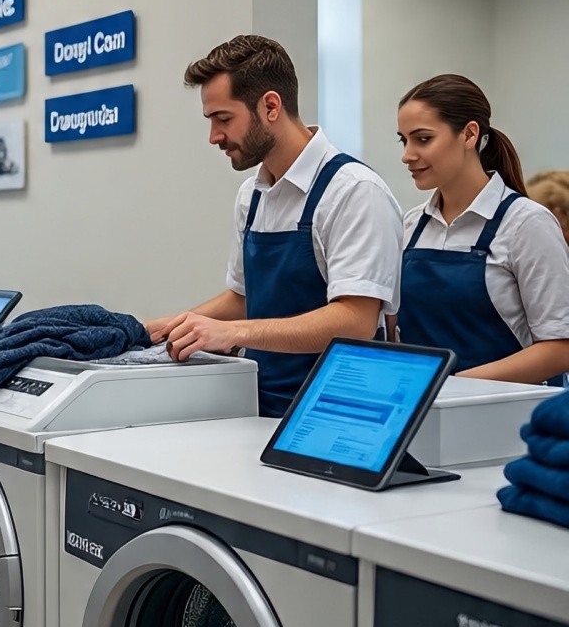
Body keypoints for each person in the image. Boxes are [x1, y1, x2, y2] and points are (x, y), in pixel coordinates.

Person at [146, 34, 403, 417]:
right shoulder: (251, 195)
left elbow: (355, 320)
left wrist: (234, 332)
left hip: (336, 414)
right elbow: (243, 299)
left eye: (224, 119)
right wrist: (161, 328)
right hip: (260, 404)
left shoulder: (354, 192)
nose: (214, 137)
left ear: (270, 106)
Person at [395, 75, 569, 385]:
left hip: (507, 410)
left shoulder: (527, 224)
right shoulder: (412, 224)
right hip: (428, 407)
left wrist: (452, 387)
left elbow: (559, 348)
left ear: (469, 134)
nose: (407, 155)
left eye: (423, 139)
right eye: (403, 140)